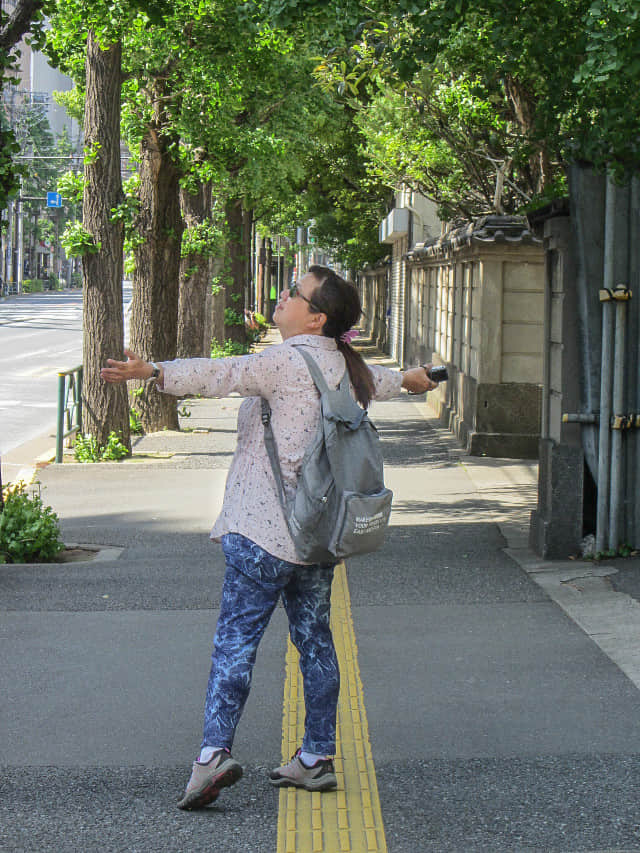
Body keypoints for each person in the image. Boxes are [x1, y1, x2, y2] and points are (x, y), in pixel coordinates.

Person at [101, 265, 438, 810]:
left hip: (261, 533)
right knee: (315, 643)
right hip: (318, 536)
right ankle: (315, 758)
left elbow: (222, 373)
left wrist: (151, 370)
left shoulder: (284, 360)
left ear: (316, 317)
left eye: (294, 294)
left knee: (235, 645)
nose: (283, 299)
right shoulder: (346, 367)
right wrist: (419, 376)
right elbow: (390, 381)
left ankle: (213, 756)